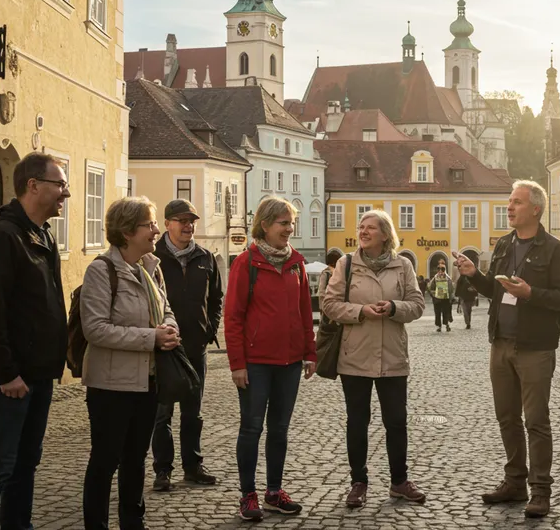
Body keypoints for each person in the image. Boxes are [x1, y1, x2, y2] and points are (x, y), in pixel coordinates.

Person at [453, 180, 560, 519]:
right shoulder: (505, 244)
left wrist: (531, 294)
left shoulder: (553, 249)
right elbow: (496, 290)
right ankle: (514, 482)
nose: (509, 207)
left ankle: (540, 490)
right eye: (509, 201)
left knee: (536, 420)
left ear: (535, 209)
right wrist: (474, 275)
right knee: (507, 417)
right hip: (501, 343)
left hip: (534, 346)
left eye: (516, 202)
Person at [0, 153, 70, 530]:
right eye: (59, 185)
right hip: (12, 381)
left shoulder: (41, 234)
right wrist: (7, 371)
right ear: (32, 186)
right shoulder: (2, 236)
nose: (66, 193)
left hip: (39, 374)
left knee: (27, 463)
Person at [80, 197, 179, 530]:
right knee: (105, 461)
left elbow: (165, 310)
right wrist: (152, 338)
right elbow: (95, 329)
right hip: (110, 385)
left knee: (136, 461)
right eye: (149, 224)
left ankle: (133, 523)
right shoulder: (101, 270)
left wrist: (169, 329)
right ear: (126, 231)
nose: (155, 230)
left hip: (146, 381)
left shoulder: (150, 267)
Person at [322, 209, 427, 509]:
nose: (363, 232)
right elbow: (329, 304)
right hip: (355, 356)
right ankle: (358, 482)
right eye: (361, 227)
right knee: (358, 421)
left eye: (370, 228)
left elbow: (417, 305)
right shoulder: (346, 264)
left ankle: (399, 481)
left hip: (393, 358)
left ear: (385, 234)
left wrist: (394, 307)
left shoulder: (402, 265)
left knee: (396, 422)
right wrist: (360, 312)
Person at [225, 198, 316, 522]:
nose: (289, 229)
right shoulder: (246, 263)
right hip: (257, 363)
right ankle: (248, 494)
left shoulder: (296, 263)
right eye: (283, 223)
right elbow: (233, 316)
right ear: (264, 225)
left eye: (291, 223)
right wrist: (237, 363)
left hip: (290, 363)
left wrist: (309, 352)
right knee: (251, 428)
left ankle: (274, 492)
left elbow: (306, 311)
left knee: (279, 429)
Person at [150, 200, 223, 491]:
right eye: (181, 220)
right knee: (162, 412)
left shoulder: (205, 257)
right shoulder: (153, 257)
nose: (187, 225)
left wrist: (209, 330)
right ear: (167, 224)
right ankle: (162, 470)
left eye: (191, 220)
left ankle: (193, 467)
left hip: (196, 345)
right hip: (165, 347)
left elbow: (216, 298)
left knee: (193, 412)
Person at [429, 264, 455, 332]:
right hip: (437, 299)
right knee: (437, 313)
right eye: (439, 269)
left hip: (445, 299)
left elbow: (451, 289)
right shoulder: (435, 278)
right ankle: (439, 326)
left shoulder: (448, 278)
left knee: (445, 312)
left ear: (445, 270)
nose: (440, 271)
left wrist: (451, 297)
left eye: (442, 269)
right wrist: (434, 295)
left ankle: (447, 325)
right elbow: (431, 287)